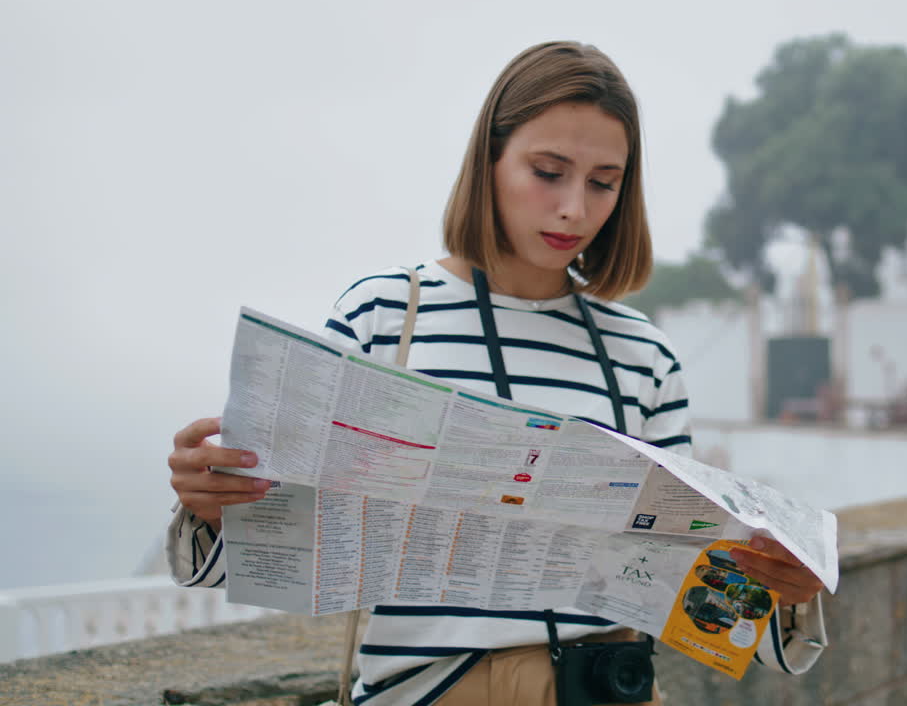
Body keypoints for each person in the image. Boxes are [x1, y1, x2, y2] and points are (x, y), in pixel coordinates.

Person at [165, 40, 827, 706]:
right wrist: (211, 508)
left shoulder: (643, 355)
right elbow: (276, 544)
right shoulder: (384, 314)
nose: (575, 207)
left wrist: (780, 591)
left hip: (606, 688)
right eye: (548, 170)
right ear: (490, 162)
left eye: (603, 181)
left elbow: (682, 588)